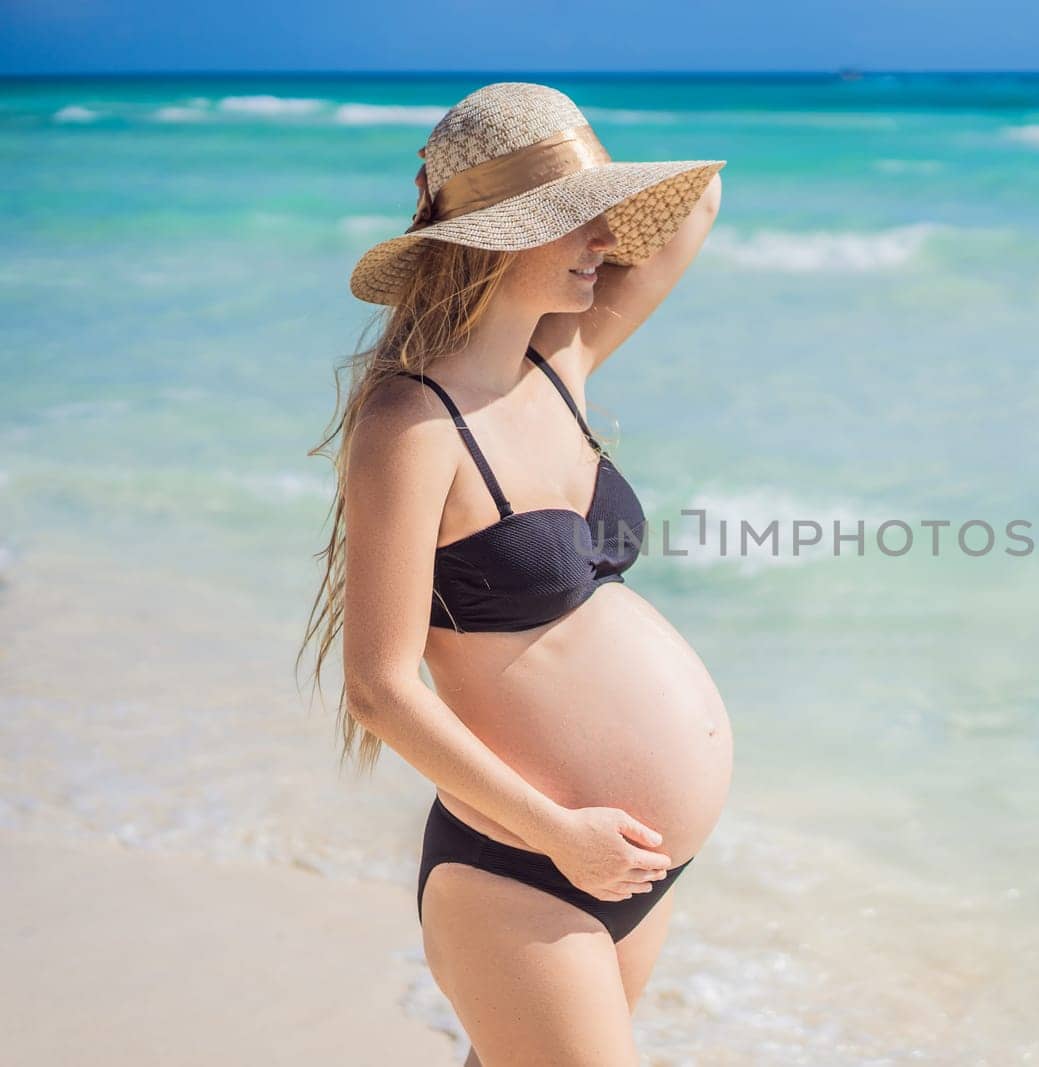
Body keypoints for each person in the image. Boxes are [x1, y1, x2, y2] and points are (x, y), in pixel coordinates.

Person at [297, 82, 735, 1066]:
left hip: (624, 860)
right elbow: (380, 687)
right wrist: (557, 832)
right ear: (501, 234)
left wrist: (583, 180)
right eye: (573, 223)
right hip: (523, 868)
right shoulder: (410, 424)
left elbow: (696, 205)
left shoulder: (559, 363)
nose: (604, 242)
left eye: (605, 219)